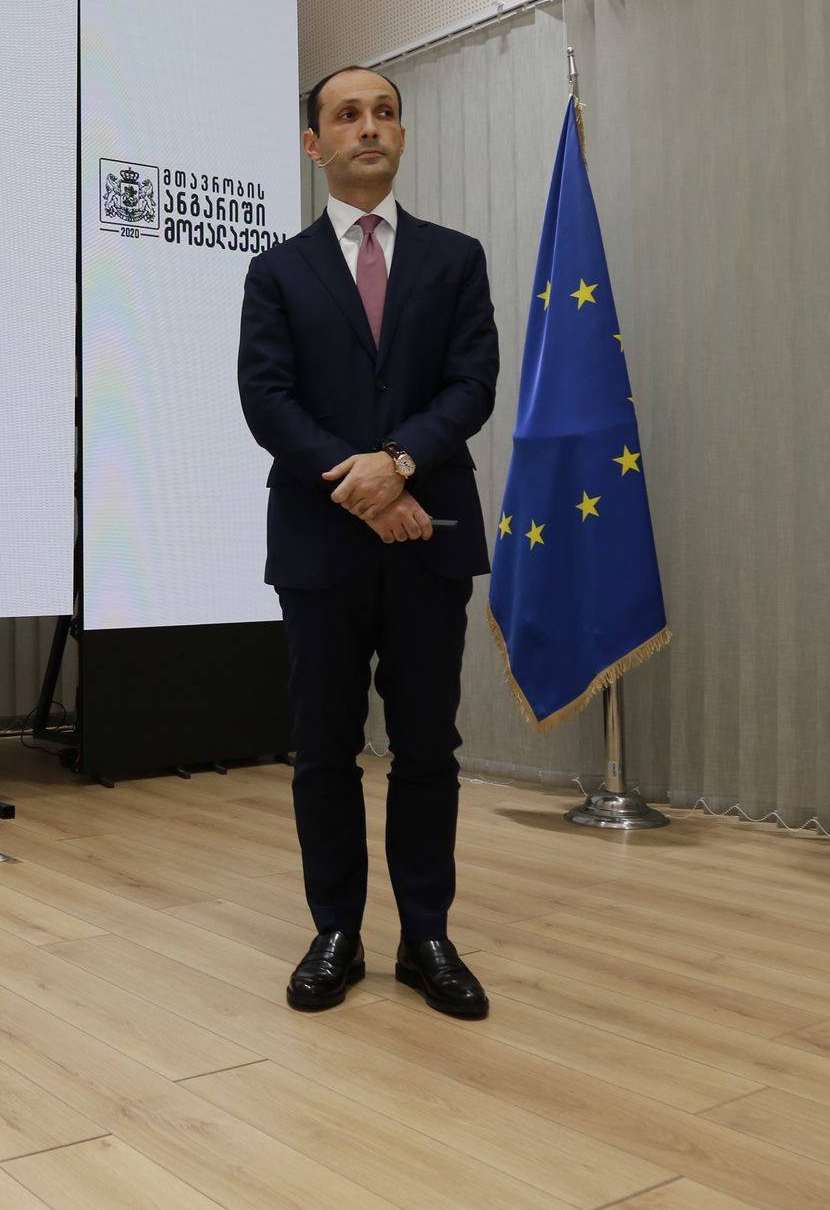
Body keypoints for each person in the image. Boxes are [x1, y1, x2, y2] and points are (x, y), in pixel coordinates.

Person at [236, 65, 498, 1019]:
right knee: (323, 748)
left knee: (429, 745)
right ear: (315, 145)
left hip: (430, 537)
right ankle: (335, 932)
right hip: (322, 544)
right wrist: (367, 488)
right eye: (347, 115)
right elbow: (267, 399)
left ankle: (426, 936)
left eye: (384, 112)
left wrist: (399, 462)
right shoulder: (277, 271)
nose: (369, 126)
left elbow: (473, 384)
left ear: (401, 134)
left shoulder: (455, 258)